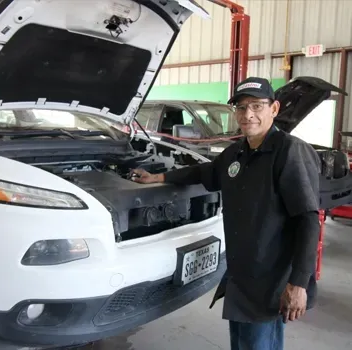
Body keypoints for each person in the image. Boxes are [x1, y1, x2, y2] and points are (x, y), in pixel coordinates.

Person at [130, 77, 321, 350]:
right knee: (244, 343)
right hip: (241, 274)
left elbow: (308, 219)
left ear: (274, 109)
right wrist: (158, 177)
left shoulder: (289, 152)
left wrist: (298, 283)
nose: (248, 114)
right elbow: (203, 172)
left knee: (258, 343)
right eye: (241, 108)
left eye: (257, 106)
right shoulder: (236, 153)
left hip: (271, 277)